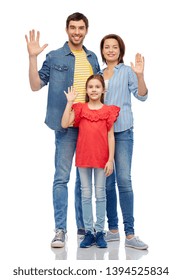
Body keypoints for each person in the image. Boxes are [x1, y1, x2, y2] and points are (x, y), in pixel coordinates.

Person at [25, 12, 100, 248]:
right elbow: (36, 86)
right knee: (61, 177)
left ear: (86, 30)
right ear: (66, 30)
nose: (77, 32)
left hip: (90, 126)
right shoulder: (55, 56)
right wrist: (33, 58)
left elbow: (98, 90)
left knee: (84, 179)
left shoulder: (92, 57)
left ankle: (83, 227)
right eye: (72, 28)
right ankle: (60, 230)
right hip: (66, 126)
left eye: (81, 28)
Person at [99, 34, 148, 250]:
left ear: (120, 50)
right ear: (102, 51)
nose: (110, 50)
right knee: (107, 183)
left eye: (114, 47)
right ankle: (112, 230)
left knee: (124, 181)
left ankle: (130, 234)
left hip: (123, 132)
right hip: (102, 135)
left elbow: (142, 95)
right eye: (107, 47)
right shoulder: (98, 75)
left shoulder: (126, 71)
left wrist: (140, 75)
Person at [61, 74, 120, 248]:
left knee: (100, 195)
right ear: (86, 90)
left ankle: (100, 231)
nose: (94, 90)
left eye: (97, 87)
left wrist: (110, 160)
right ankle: (89, 232)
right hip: (84, 158)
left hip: (102, 159)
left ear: (103, 90)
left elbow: (111, 136)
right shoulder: (80, 109)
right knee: (86, 195)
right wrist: (69, 102)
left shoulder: (109, 111)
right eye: (90, 87)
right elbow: (64, 123)